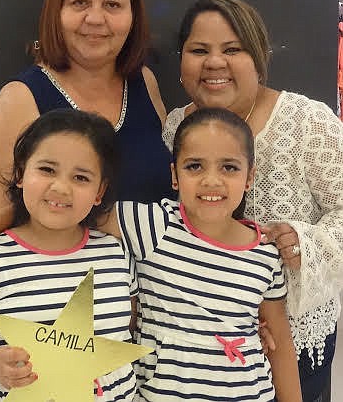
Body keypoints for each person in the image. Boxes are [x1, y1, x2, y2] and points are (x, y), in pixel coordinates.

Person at [0, 0, 173, 292]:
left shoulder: (145, 83)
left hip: (162, 308)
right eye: (80, 2)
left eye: (112, 5)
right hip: (67, 317)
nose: (95, 18)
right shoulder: (20, 100)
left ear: (133, 15)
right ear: (58, 11)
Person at [162, 0, 343, 402]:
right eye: (199, 50)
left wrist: (305, 243)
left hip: (291, 339)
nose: (214, 62)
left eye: (232, 49)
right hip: (204, 345)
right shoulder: (176, 127)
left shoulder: (305, 122)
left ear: (258, 58)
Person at [0, 109, 139, 401]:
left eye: (81, 177)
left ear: (99, 192)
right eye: (47, 170)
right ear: (21, 173)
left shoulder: (116, 252)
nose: (61, 187)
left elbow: (128, 331)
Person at [98, 107, 301, 401]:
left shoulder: (265, 252)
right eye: (195, 166)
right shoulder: (154, 225)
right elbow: (81, 211)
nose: (211, 180)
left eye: (229, 167)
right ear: (174, 175)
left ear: (250, 176)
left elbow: (280, 340)